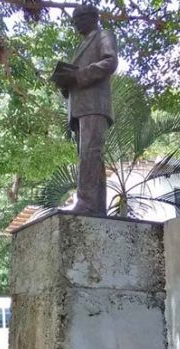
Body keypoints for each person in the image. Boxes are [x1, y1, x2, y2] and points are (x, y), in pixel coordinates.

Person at [52, 4, 118, 215]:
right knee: (90, 156)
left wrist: (77, 75)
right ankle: (96, 207)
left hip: (95, 105)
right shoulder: (81, 46)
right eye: (74, 20)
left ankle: (86, 203)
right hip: (81, 107)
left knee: (90, 153)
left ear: (92, 18)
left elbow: (110, 62)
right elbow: (75, 77)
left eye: (79, 19)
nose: (76, 24)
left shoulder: (104, 35)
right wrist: (65, 83)